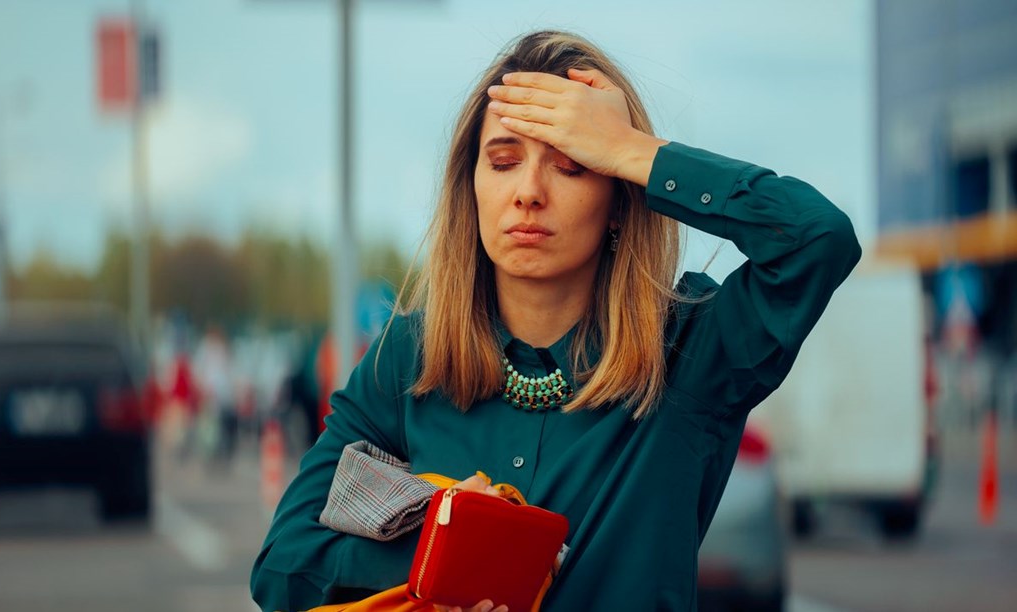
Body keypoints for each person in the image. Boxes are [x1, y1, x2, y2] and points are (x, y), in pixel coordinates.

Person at [251, 30, 861, 612]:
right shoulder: (409, 355)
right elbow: (283, 567)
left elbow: (817, 240)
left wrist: (632, 151)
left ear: (621, 198)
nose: (529, 192)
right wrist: (439, 551)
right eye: (503, 160)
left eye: (571, 164)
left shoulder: (690, 353)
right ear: (472, 188)